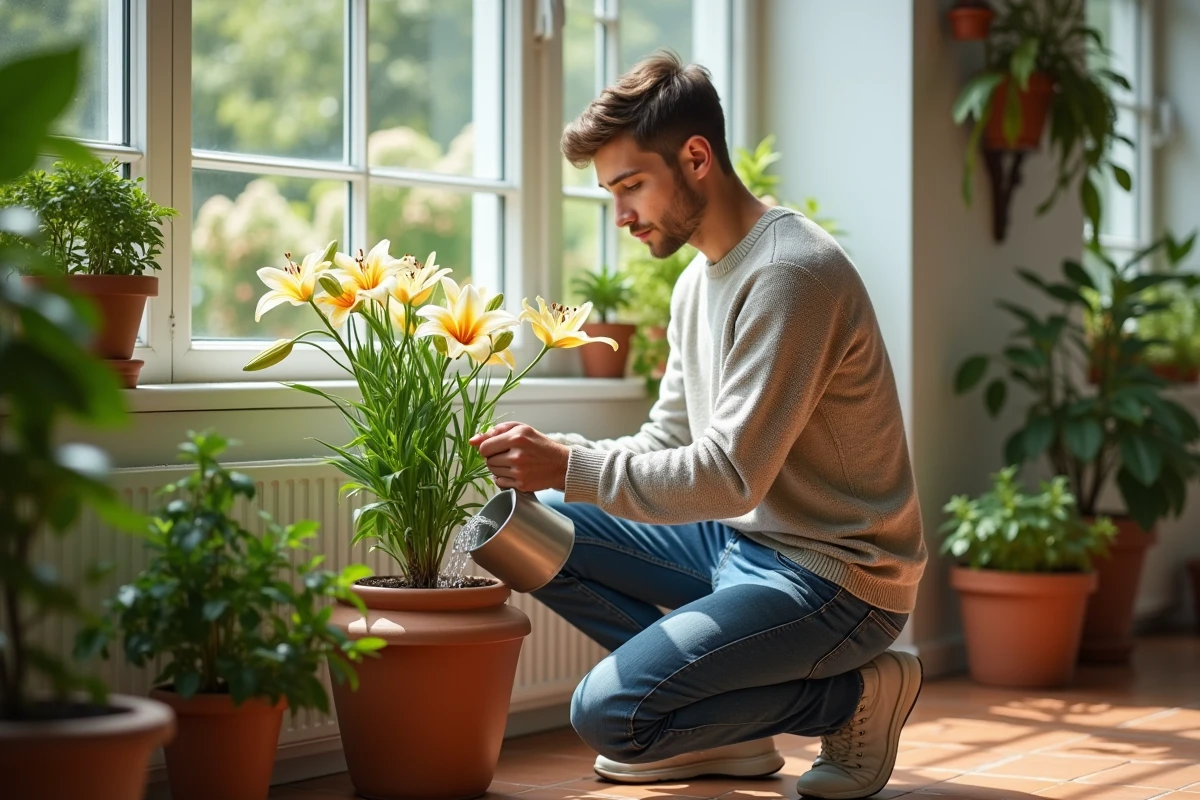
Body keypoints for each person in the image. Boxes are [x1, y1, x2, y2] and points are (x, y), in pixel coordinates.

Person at [467, 51, 927, 800]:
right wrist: (557, 463)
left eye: (629, 187)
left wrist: (569, 464)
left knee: (609, 713)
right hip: (741, 540)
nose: (620, 216)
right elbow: (665, 442)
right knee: (536, 527)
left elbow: (727, 475)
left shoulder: (790, 274)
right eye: (610, 194)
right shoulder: (695, 282)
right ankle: (731, 732)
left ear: (695, 156)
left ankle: (856, 696)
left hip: (837, 576)